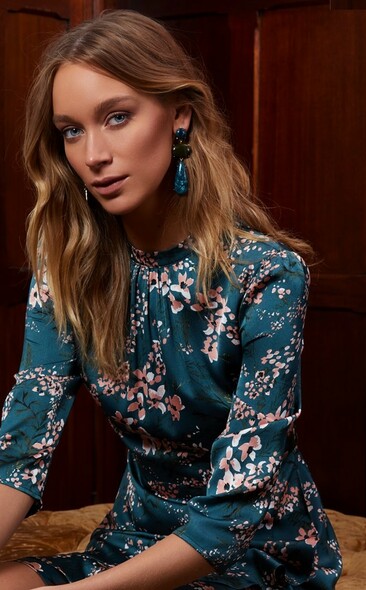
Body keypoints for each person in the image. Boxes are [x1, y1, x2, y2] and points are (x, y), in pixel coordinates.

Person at [0, 10, 341, 589]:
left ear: (179, 115)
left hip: (252, 554)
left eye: (117, 117)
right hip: (133, 543)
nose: (93, 155)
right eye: (72, 130)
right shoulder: (69, 269)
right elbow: (22, 447)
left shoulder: (266, 276)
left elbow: (236, 515)